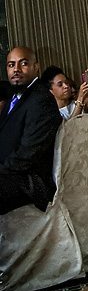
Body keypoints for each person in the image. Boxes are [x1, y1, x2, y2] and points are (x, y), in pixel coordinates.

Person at [0, 46, 61, 214]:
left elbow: (28, 154)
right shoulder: (16, 95)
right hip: (10, 175)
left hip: (29, 183)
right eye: (11, 65)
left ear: (36, 67)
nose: (16, 69)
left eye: (23, 63)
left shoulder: (41, 99)